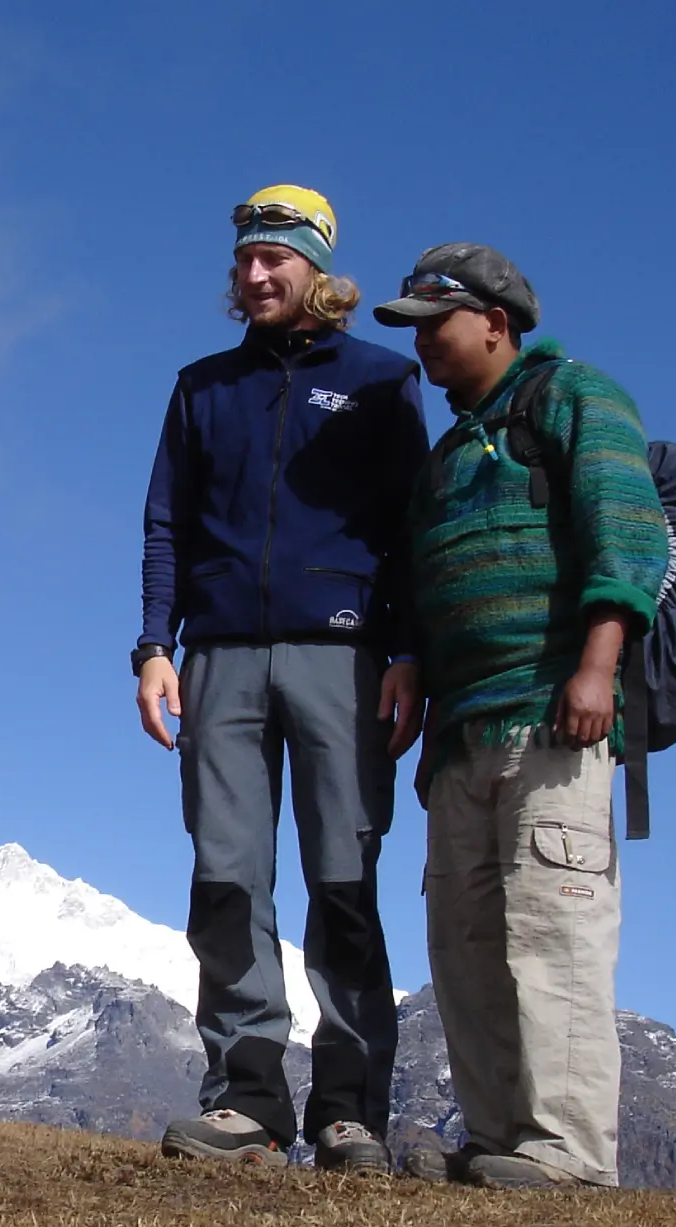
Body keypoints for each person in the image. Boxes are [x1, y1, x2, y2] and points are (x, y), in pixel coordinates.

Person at [136, 186, 429, 1170]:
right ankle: (246, 1100)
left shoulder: (384, 383)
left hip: (344, 660)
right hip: (216, 657)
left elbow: (408, 534)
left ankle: (348, 1109)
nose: (256, 276)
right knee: (226, 880)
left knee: (341, 881)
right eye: (245, 260)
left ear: (317, 269)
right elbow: (165, 527)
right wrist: (151, 648)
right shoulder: (201, 388)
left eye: (276, 259)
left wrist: (406, 653)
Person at [372, 244, 669, 1189]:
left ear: (494, 321)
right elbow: (422, 588)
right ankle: (501, 1139)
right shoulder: (449, 454)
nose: (421, 343)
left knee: (554, 932)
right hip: (462, 733)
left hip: (554, 718)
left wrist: (596, 668)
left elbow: (623, 533)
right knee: (467, 944)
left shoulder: (579, 399)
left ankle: (569, 1152)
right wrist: (414, 672)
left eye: (433, 321)